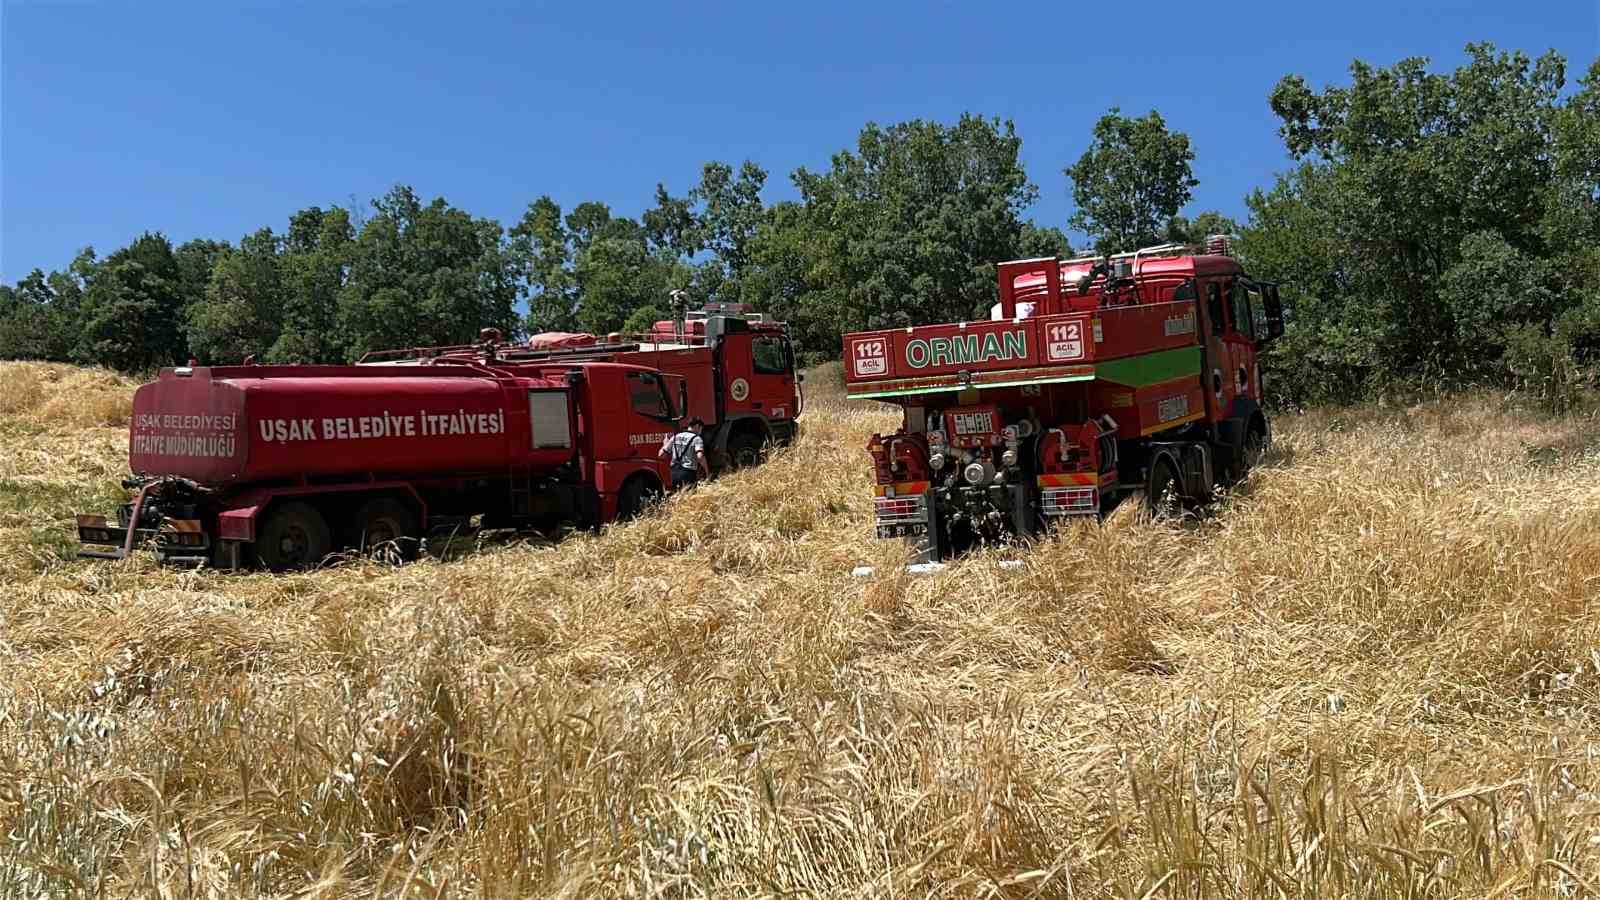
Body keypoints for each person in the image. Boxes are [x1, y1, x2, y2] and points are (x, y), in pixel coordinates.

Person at [660, 418, 710, 490]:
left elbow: (661, 455)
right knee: (690, 499)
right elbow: (700, 457)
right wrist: (707, 471)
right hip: (688, 474)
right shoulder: (697, 439)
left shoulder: (675, 437)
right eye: (701, 429)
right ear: (697, 426)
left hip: (674, 473)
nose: (700, 432)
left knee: (678, 497)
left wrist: (665, 443)